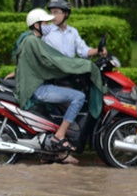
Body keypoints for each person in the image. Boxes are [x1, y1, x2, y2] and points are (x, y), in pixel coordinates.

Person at [15, 8, 103, 155]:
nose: (49, 25)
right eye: (45, 22)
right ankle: (60, 135)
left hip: (36, 86)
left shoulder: (31, 40)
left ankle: (53, 152)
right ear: (37, 25)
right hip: (37, 89)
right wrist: (81, 66)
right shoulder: (33, 41)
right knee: (78, 97)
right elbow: (54, 62)